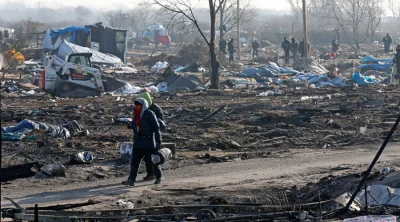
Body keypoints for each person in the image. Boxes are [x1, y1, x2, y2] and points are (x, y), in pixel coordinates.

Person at [122, 98, 162, 186]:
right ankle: (131, 180)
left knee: (153, 161)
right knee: (134, 161)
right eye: (136, 105)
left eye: (138, 105)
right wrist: (130, 125)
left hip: (148, 142)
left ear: (143, 105)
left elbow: (156, 128)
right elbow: (135, 125)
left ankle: (159, 177)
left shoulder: (150, 114)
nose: (136, 106)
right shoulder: (136, 115)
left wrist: (158, 141)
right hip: (138, 142)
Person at [139, 92, 166, 181]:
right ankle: (150, 174)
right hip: (145, 136)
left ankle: (159, 176)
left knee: (154, 157)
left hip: (154, 136)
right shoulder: (142, 109)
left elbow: (160, 123)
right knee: (146, 157)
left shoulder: (155, 109)